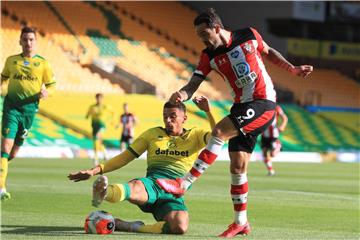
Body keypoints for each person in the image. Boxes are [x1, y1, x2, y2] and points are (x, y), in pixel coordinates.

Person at [156, 8, 313, 237]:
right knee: (237, 167)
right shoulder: (207, 56)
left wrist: (292, 68)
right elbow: (192, 85)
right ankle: (241, 222)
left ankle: (184, 184)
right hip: (241, 107)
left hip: (263, 102)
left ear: (217, 28)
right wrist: (181, 94)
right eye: (198, 34)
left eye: (204, 33)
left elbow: (268, 51)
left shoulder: (249, 35)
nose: (201, 38)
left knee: (219, 130)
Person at [68, 96, 215, 235]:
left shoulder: (195, 135)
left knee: (180, 227)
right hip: (152, 185)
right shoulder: (152, 134)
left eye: (173, 116)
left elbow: (219, 137)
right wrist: (94, 171)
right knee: (135, 186)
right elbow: (125, 157)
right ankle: (104, 192)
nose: (168, 120)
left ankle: (126, 225)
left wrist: (208, 112)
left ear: (184, 118)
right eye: (165, 116)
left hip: (174, 193)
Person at [0, 27, 56, 200]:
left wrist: (47, 92)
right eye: (25, 39)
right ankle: (1, 187)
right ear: (20, 41)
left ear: (36, 42)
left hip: (29, 111)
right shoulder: (11, 61)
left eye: (31, 39)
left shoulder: (43, 64)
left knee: (13, 153)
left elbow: (52, 85)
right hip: (11, 108)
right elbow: (3, 78)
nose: (28, 43)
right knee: (5, 148)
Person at [86, 93, 114, 166]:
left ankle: (96, 158)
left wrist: (111, 120)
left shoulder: (105, 106)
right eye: (97, 98)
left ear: (102, 99)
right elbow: (87, 115)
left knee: (97, 138)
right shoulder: (92, 107)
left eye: (100, 98)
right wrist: (88, 116)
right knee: (98, 141)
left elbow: (113, 112)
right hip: (94, 126)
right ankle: (105, 153)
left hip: (102, 126)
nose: (99, 100)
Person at [260, 104, 288, 176]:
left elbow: (284, 118)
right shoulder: (260, 107)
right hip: (264, 134)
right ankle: (271, 170)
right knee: (264, 153)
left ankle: (278, 145)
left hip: (273, 134)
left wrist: (282, 126)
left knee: (272, 154)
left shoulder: (276, 107)